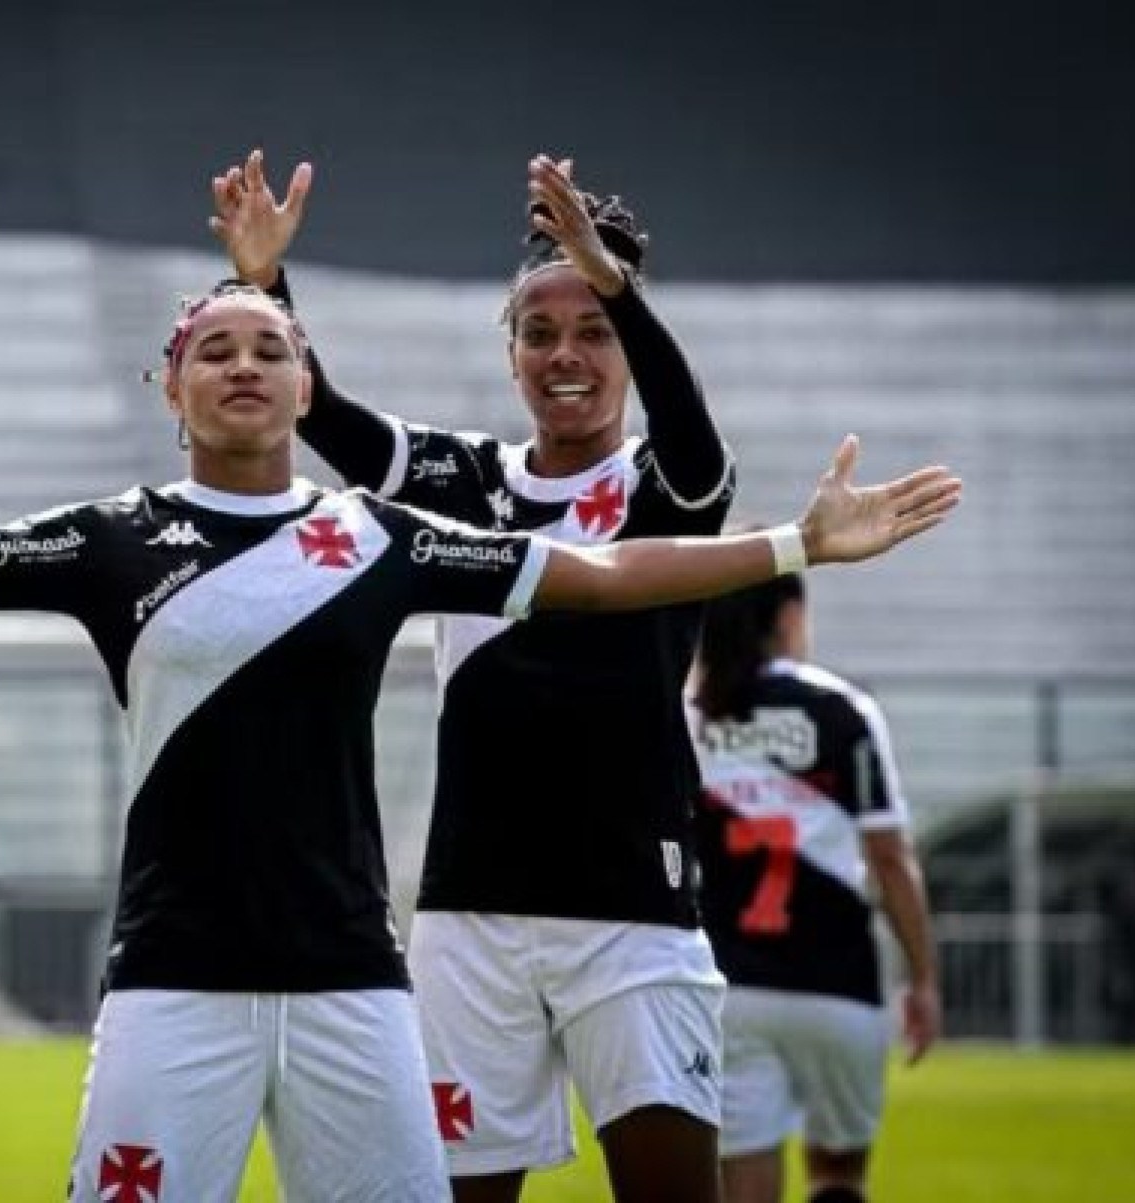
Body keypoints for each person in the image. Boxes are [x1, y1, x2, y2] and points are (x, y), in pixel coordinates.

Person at [0, 284, 957, 1203]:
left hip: (356, 989)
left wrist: (784, 542)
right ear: (174, 386)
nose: (246, 364)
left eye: (271, 344)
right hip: (174, 982)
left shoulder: (382, 534)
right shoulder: (106, 535)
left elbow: (599, 576)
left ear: (303, 378)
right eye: (217, 347)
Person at [211, 150, 739, 1202]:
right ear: (510, 357)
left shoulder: (660, 486)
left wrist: (617, 286)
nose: (566, 354)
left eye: (592, 329)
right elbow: (325, 416)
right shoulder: (466, 480)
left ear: (627, 348)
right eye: (539, 333)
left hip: (634, 913)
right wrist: (265, 287)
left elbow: (696, 446)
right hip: (472, 918)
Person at [691, 567, 942, 1203]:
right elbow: (889, 857)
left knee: (745, 1177)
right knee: (837, 1177)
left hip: (729, 990)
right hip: (837, 984)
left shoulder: (693, 716)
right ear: (790, 614)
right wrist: (925, 978)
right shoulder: (843, 710)